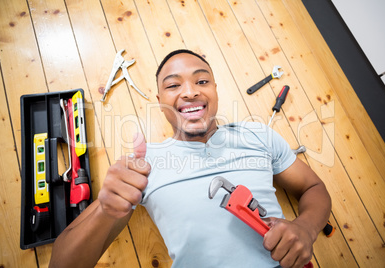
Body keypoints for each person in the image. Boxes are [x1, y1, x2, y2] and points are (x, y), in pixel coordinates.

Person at [50, 49, 331, 268]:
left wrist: (306, 228)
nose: (189, 91)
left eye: (202, 81)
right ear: (159, 99)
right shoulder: (142, 167)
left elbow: (313, 188)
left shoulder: (258, 135)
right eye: (173, 86)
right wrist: (105, 210)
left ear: (215, 90)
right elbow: (63, 263)